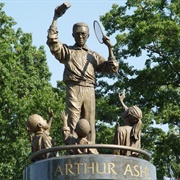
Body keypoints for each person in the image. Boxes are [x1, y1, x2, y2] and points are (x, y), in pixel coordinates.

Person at [46, 3, 119, 143]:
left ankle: (90, 149)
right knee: (73, 122)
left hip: (89, 90)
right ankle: (73, 149)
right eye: (78, 34)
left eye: (83, 34)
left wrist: (110, 49)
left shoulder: (93, 56)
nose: (80, 37)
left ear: (88, 36)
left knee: (89, 124)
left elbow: (112, 68)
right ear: (73, 35)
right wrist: (55, 19)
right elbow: (52, 42)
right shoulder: (68, 52)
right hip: (74, 88)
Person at [113, 90, 142, 156]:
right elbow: (128, 111)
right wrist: (121, 101)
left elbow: (116, 153)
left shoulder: (121, 130)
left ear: (127, 116)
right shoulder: (137, 132)